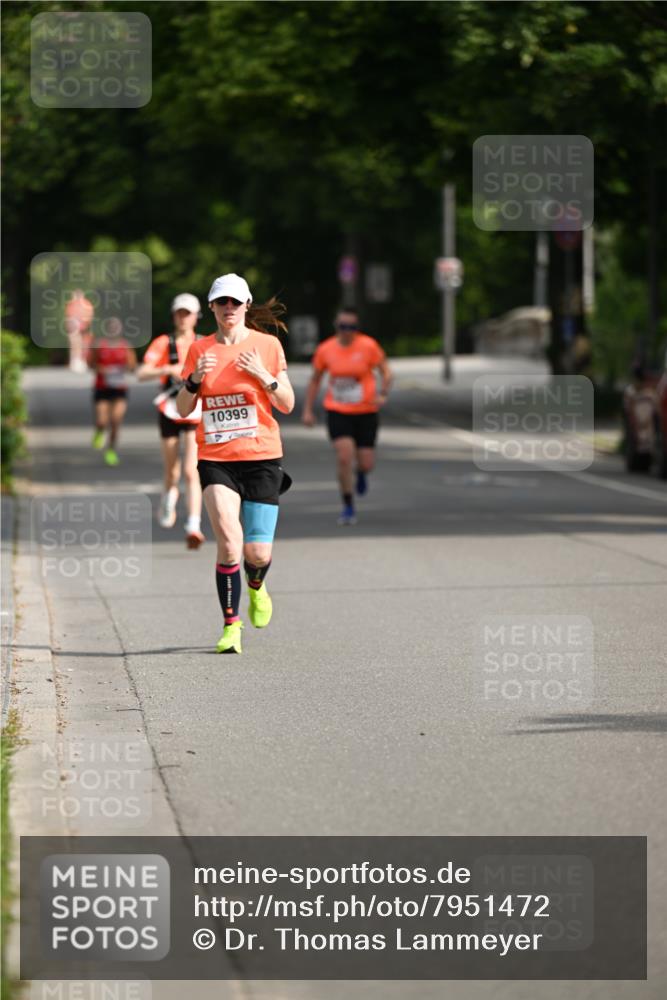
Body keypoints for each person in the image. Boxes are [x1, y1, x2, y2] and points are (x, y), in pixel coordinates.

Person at [176, 273, 294, 654]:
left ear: (246, 305)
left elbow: (287, 404)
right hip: (216, 458)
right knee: (229, 543)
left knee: (256, 553)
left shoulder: (267, 345)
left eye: (235, 302)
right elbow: (182, 408)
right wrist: (194, 379)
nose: (229, 308)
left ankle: (257, 586)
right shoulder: (199, 350)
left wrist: (262, 376)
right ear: (211, 307)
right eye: (221, 302)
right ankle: (231, 625)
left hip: (261, 456)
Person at [301, 308, 392, 524]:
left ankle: (361, 473)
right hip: (338, 410)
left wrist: (383, 393)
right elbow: (315, 379)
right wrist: (307, 410)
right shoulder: (326, 349)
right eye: (343, 327)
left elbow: (386, 371)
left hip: (366, 412)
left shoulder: (368, 346)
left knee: (366, 463)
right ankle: (348, 504)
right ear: (337, 327)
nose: (347, 331)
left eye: (352, 327)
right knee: (344, 457)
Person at [136, 293, 205, 548]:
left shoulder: (204, 343)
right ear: (174, 316)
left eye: (188, 313)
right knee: (172, 471)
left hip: (195, 410)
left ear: (197, 316)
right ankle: (168, 495)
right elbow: (141, 372)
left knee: (191, 470)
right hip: (169, 409)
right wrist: (167, 369)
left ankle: (194, 525)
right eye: (179, 313)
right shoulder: (165, 343)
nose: (183, 318)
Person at [89, 316, 137, 466]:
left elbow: (133, 366)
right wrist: (103, 370)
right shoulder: (99, 345)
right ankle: (99, 431)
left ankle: (111, 450)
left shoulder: (125, 346)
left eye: (115, 328)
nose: (113, 331)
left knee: (116, 421)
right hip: (102, 387)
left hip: (119, 389)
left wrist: (125, 369)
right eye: (110, 328)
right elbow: (90, 363)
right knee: (102, 420)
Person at [65, 288, 94, 372]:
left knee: (81, 344)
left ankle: (80, 361)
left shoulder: (83, 304)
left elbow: (89, 316)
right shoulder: (72, 304)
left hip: (82, 327)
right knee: (75, 344)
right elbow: (69, 316)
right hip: (76, 327)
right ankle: (75, 361)